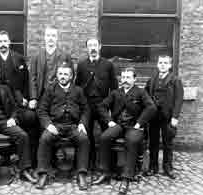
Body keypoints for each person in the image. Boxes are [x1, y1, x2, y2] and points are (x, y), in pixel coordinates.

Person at [93, 67, 156, 195]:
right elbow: (102, 106)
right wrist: (109, 121)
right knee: (104, 137)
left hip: (134, 126)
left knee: (132, 140)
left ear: (134, 79)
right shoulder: (116, 93)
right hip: (119, 125)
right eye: (123, 77)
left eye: (128, 77)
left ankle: (127, 177)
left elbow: (151, 108)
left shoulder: (141, 92)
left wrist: (139, 123)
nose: (125, 80)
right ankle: (105, 172)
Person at [0, 30, 38, 167]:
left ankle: (29, 158)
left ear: (9, 42)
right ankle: (5, 156)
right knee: (5, 124)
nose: (3, 44)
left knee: (31, 117)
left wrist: (28, 98)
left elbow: (27, 80)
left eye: (5, 41)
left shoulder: (19, 58)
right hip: (1, 105)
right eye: (0, 41)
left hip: (19, 103)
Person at [35, 62, 90, 190]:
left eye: (65, 74)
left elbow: (86, 109)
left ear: (71, 76)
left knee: (83, 139)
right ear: (57, 75)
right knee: (44, 139)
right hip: (56, 125)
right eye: (60, 74)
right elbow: (41, 110)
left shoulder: (78, 90)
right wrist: (48, 125)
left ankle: (81, 173)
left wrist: (82, 123)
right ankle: (43, 173)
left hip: (73, 126)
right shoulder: (50, 90)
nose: (62, 76)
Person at [75, 38, 118, 168]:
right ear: (87, 48)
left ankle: (110, 164)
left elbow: (114, 88)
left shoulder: (108, 65)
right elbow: (77, 87)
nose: (92, 48)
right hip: (87, 105)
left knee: (107, 133)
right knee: (87, 134)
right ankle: (90, 162)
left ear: (100, 47)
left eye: (95, 45)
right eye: (90, 46)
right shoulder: (81, 65)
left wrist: (111, 107)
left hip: (103, 105)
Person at [145, 55, 184, 179]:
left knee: (168, 143)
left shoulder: (175, 80)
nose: (162, 65)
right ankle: (153, 167)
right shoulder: (152, 80)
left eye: (165, 63)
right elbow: (145, 97)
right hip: (154, 117)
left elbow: (178, 100)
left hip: (168, 117)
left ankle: (168, 168)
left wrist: (175, 117)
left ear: (170, 65)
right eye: (160, 62)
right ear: (157, 64)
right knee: (153, 143)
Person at [29, 25, 71, 109]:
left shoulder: (65, 56)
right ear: (44, 37)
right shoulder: (36, 56)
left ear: (57, 38)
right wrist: (33, 98)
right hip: (41, 94)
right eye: (48, 35)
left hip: (59, 95)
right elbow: (32, 77)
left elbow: (70, 77)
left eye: (53, 36)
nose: (50, 38)